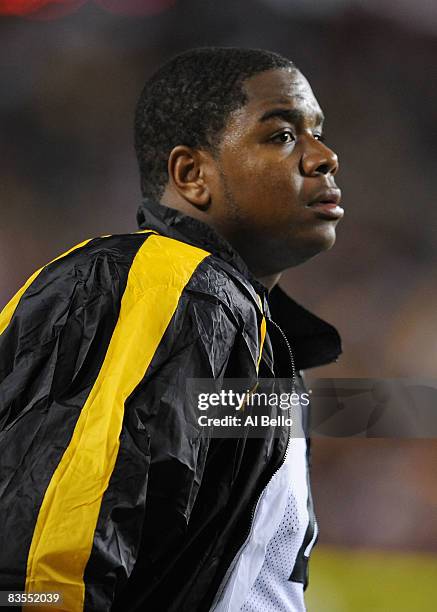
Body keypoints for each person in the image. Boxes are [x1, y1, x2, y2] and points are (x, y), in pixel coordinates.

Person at [0, 47, 343, 611]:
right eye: (283, 135)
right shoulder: (163, 285)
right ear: (192, 175)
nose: (325, 157)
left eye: (319, 133)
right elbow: (39, 572)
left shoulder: (240, 323)